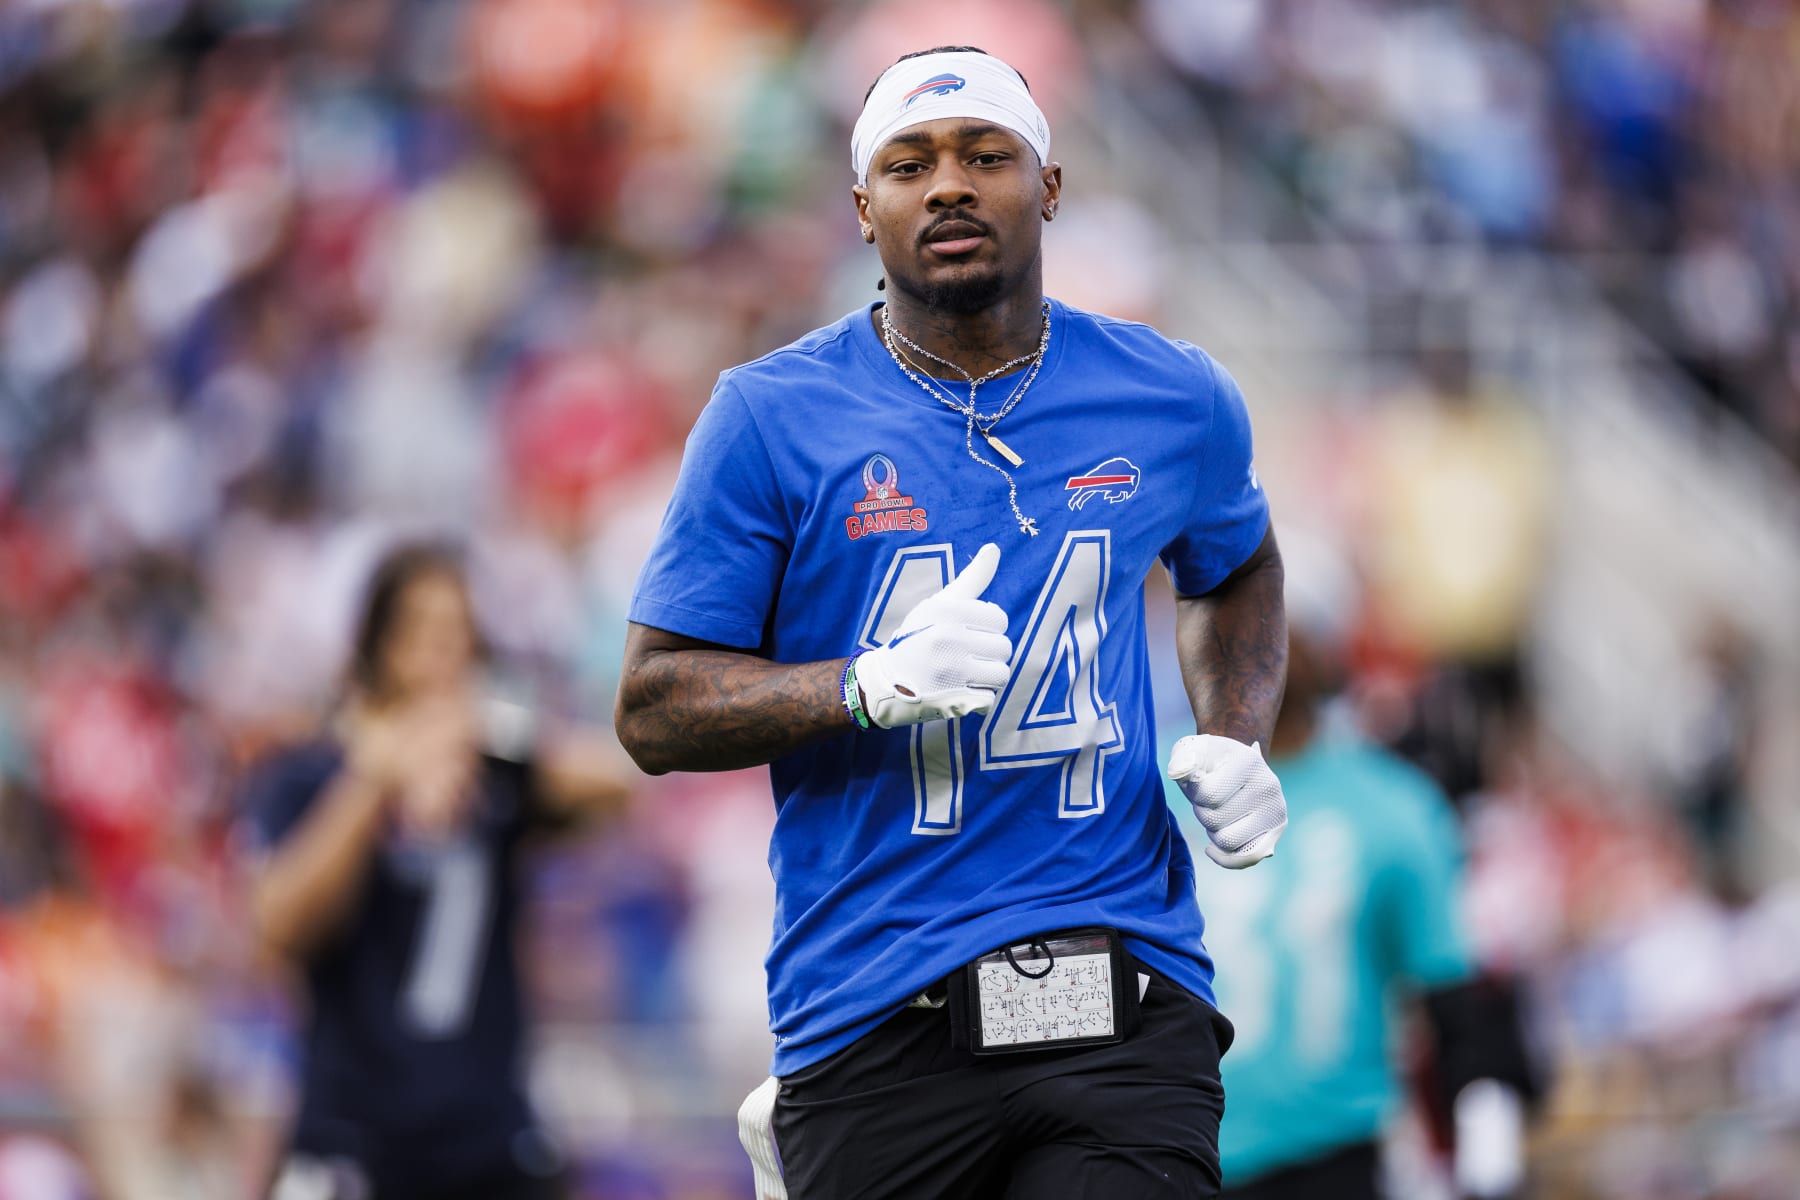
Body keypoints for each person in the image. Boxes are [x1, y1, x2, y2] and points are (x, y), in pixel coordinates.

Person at [614, 45, 1289, 1199]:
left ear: (1050, 185)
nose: (948, 187)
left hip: (1121, 988)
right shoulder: (770, 417)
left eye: (986, 156)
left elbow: (1237, 566)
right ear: (862, 207)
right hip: (875, 1003)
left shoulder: (1173, 394)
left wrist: (1234, 731)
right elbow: (652, 709)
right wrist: (863, 686)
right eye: (909, 164)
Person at [241, 544, 631, 1200]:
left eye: (457, 632)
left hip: (485, 1130)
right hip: (353, 1126)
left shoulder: (497, 765)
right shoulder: (311, 772)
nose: (440, 653)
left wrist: (493, 731)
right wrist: (375, 780)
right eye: (419, 630)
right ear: (376, 643)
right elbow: (277, 923)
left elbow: (619, 781)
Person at [1183, 549, 1539, 1200]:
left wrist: (1488, 1145)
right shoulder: (1155, 784)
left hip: (1326, 1156)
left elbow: (1459, 1000)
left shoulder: (1392, 803)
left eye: (1280, 621)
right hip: (1167, 1149)